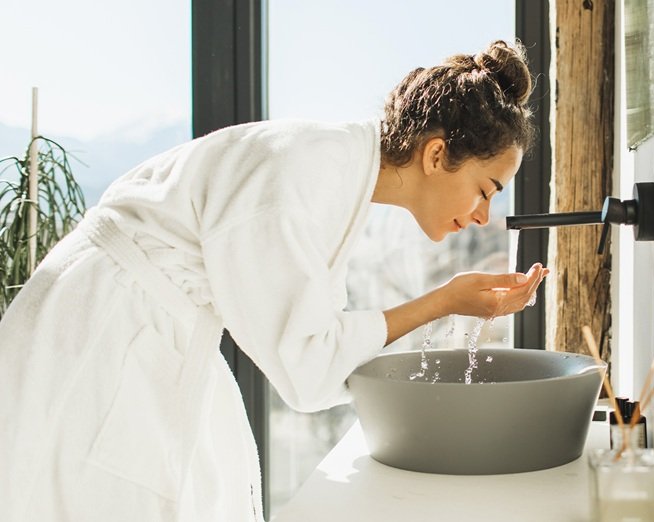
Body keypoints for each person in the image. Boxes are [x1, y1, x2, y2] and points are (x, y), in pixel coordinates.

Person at [0, 40, 548, 521]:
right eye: (487, 188)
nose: (483, 215)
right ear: (435, 155)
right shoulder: (302, 174)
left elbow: (320, 348)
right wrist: (442, 301)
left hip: (145, 323)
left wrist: (445, 301)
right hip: (104, 329)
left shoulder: (337, 176)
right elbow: (308, 369)